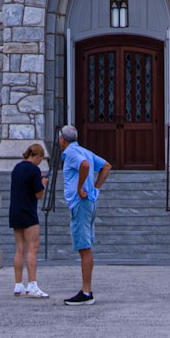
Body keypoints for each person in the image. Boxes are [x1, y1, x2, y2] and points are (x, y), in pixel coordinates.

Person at [57, 123, 110, 303]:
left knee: (84, 247)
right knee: (85, 247)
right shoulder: (84, 150)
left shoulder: (71, 153)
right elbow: (106, 166)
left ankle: (86, 292)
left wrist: (81, 187)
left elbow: (85, 166)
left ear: (62, 139)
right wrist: (94, 188)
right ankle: (86, 290)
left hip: (81, 203)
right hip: (89, 203)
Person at [8, 142, 48, 298]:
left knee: (19, 248)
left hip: (15, 211)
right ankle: (32, 284)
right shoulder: (34, 170)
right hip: (28, 212)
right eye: (41, 159)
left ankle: (18, 285)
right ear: (37, 156)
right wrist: (43, 183)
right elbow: (39, 194)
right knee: (33, 247)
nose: (40, 162)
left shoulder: (17, 168)